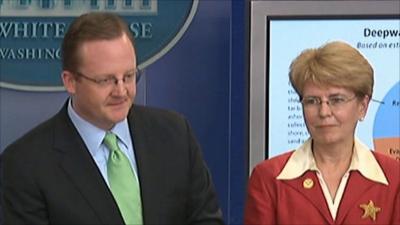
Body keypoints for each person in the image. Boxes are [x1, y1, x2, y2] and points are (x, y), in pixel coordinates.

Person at [1, 12, 224, 225]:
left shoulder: (174, 134)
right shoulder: (25, 165)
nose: (121, 91)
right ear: (70, 82)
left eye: (128, 76)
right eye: (106, 80)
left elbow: (206, 220)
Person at [244, 41, 400, 224]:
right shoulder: (268, 178)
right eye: (312, 101)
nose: (324, 112)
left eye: (336, 100)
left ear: (363, 106)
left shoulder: (394, 178)